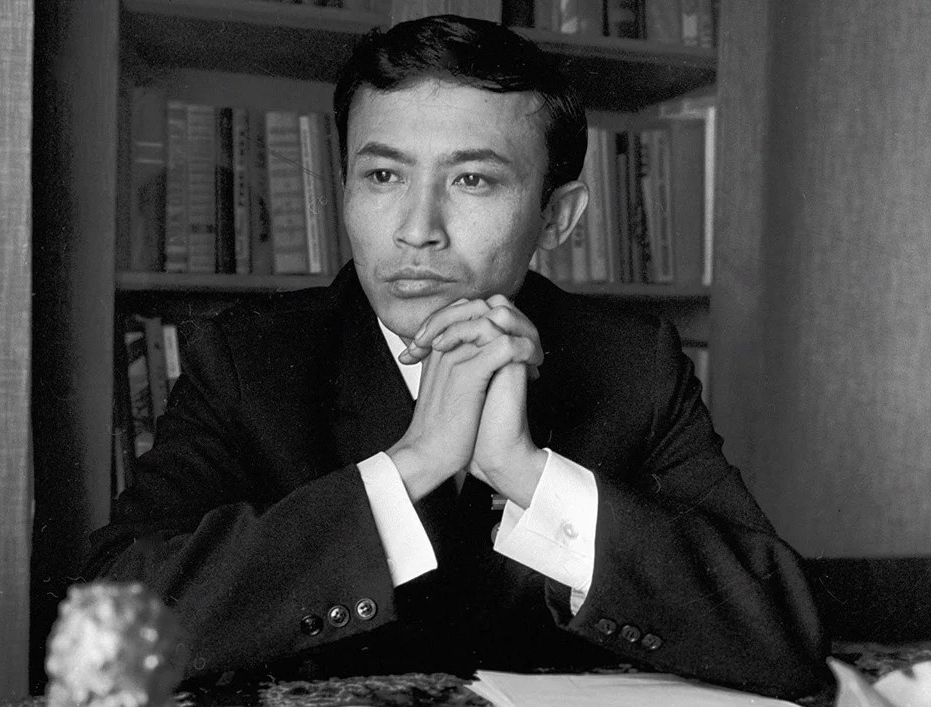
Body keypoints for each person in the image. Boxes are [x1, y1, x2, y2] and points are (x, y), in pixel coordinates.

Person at [83, 14, 828, 699]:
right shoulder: (249, 357)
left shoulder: (632, 362)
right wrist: (411, 465)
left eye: (472, 179)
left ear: (557, 217)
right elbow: (107, 630)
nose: (417, 229)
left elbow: (783, 634)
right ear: (344, 188)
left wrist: (526, 473)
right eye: (383, 176)